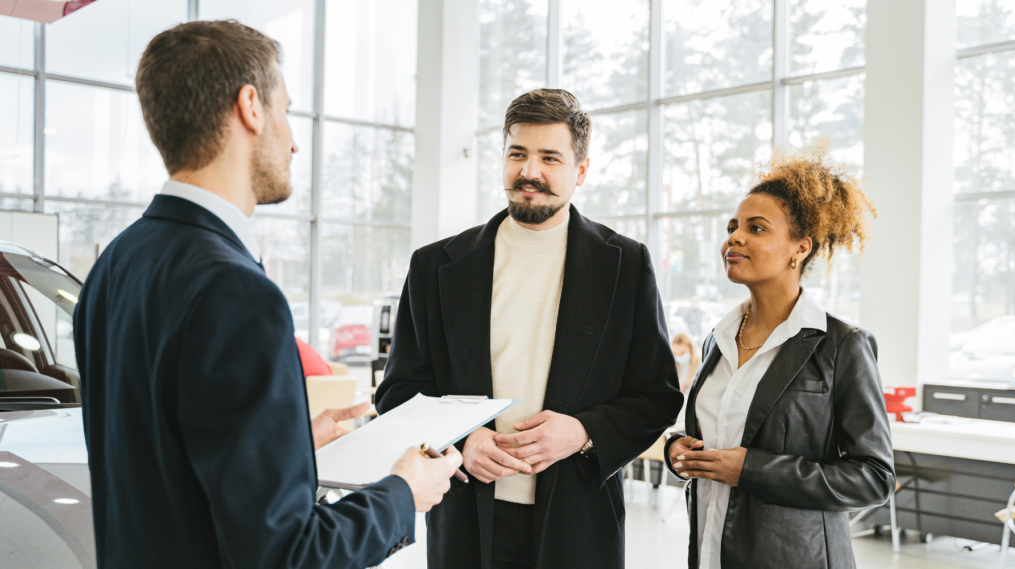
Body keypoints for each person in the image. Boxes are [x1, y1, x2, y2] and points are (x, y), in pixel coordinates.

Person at [74, 21, 461, 569]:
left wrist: (287, 453)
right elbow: (287, 554)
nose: (294, 140)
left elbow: (160, 470)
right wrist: (403, 494)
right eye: (287, 110)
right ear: (251, 107)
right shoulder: (236, 292)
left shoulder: (116, 264)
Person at [376, 88, 684, 569]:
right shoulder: (435, 266)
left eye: (549, 158)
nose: (530, 172)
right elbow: (398, 390)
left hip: (578, 523)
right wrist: (461, 440)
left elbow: (655, 395)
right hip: (466, 518)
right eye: (517, 153)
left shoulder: (625, 265)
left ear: (581, 170)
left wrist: (582, 432)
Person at [664, 143, 895, 569]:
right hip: (710, 551)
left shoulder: (842, 345)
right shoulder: (718, 339)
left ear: (800, 248)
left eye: (756, 228)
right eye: (733, 227)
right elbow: (722, 432)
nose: (734, 237)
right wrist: (679, 448)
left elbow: (873, 477)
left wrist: (752, 470)